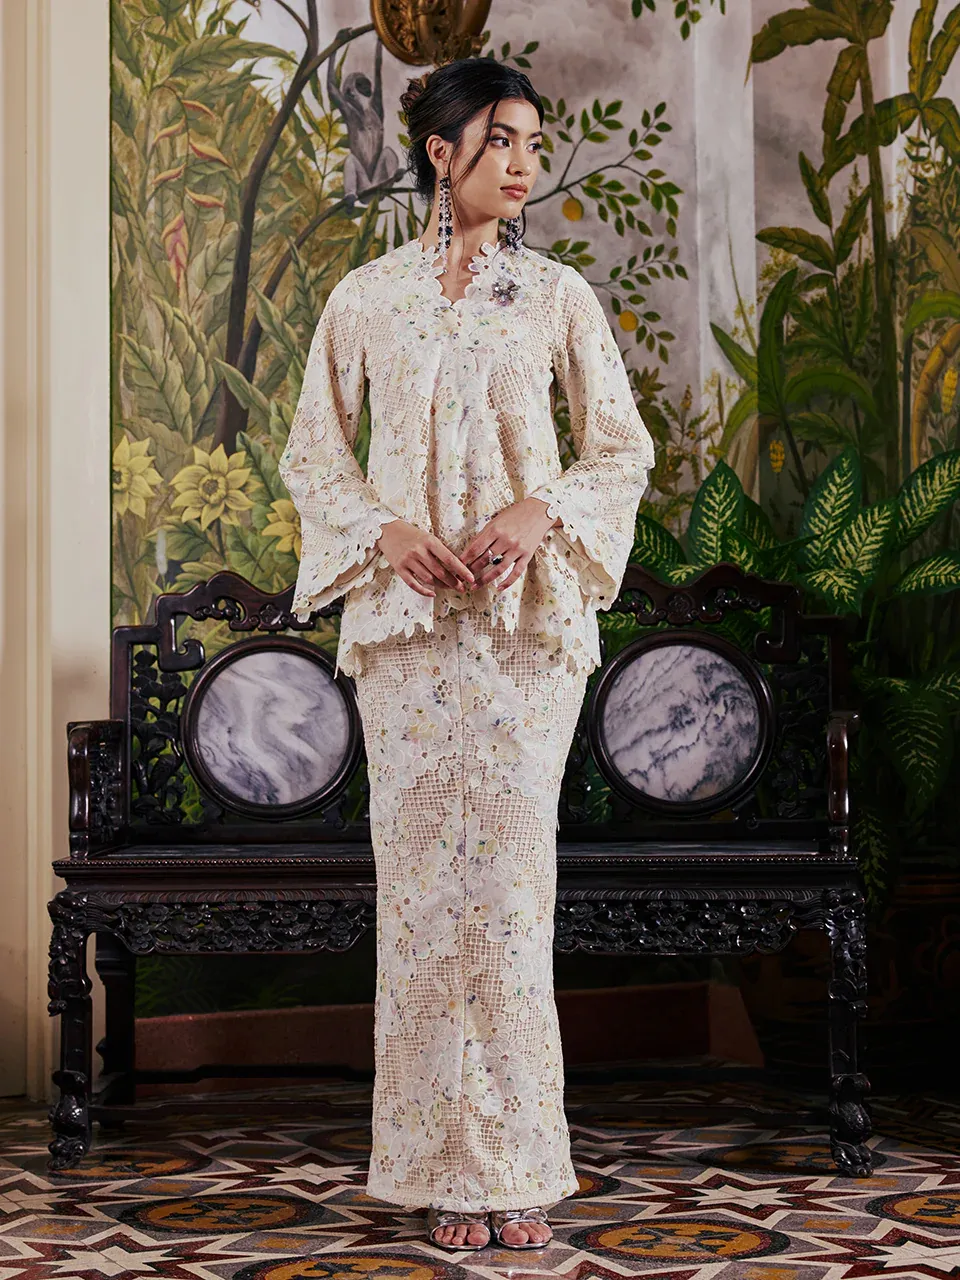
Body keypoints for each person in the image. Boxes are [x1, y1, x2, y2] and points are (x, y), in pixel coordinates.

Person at [278, 56, 655, 1254]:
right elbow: (312, 455)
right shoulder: (365, 300)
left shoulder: (556, 298)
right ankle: (442, 1167)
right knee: (424, 901)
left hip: (523, 638)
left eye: (533, 141)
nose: (524, 162)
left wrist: (541, 511)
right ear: (441, 154)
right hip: (404, 641)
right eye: (501, 139)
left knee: (509, 897)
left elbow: (620, 448)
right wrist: (383, 531)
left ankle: (520, 1165)